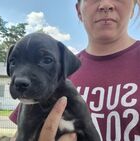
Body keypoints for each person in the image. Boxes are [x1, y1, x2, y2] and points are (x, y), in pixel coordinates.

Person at [10, 0, 140, 140]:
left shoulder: (59, 63)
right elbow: (20, 135)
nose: (105, 4)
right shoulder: (55, 75)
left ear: (134, 5)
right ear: (79, 10)